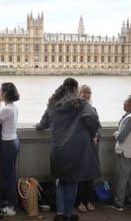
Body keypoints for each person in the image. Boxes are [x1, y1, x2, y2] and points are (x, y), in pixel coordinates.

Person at [36, 78, 100, 221]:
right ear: (76, 88)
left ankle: (59, 213)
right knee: (72, 182)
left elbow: (44, 123)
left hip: (58, 149)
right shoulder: (81, 104)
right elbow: (93, 119)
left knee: (61, 181)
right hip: (76, 150)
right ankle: (68, 214)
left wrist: (39, 126)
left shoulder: (53, 104)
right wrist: (91, 133)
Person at [0, 82, 20, 217]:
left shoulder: (5, 110)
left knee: (7, 176)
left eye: (0, 91)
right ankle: (10, 201)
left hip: (7, 144)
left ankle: (11, 206)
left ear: (5, 94)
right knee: (11, 174)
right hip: (14, 141)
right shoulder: (13, 107)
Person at [76, 85, 100, 213]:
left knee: (90, 175)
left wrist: (97, 136)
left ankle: (88, 200)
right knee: (80, 175)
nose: (86, 95)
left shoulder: (93, 109)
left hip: (91, 146)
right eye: (84, 92)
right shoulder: (75, 110)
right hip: (80, 146)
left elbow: (98, 127)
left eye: (88, 93)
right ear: (79, 93)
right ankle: (80, 201)